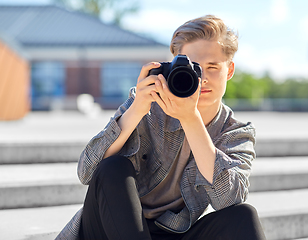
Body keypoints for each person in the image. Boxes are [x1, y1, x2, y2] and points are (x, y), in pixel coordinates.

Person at [57, 15, 266, 240]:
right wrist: (136, 109)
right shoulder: (148, 105)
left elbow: (229, 199)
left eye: (213, 67)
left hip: (173, 232)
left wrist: (190, 119)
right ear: (176, 66)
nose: (202, 78)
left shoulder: (235, 132)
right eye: (195, 68)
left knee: (244, 215)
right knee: (113, 167)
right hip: (111, 228)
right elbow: (88, 172)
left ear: (230, 70)